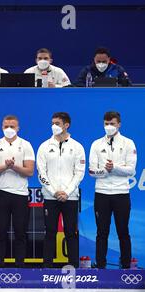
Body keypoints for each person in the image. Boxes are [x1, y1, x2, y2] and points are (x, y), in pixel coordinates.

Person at [37, 112, 85, 268]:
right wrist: (54, 192)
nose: (54, 126)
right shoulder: (44, 146)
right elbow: (41, 173)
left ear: (66, 125)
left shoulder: (77, 147)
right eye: (52, 123)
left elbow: (79, 173)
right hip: (51, 197)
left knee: (71, 233)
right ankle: (47, 268)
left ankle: (73, 267)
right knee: (50, 232)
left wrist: (67, 192)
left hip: (70, 198)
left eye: (57, 123)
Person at [89, 111, 137, 269]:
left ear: (119, 124)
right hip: (102, 194)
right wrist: (105, 171)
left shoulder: (128, 143)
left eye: (112, 124)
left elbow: (130, 170)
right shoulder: (96, 144)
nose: (109, 127)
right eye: (106, 124)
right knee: (101, 232)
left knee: (123, 231)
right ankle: (101, 266)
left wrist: (114, 167)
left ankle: (125, 266)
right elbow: (91, 171)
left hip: (121, 194)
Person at [0, 115, 35, 268]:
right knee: (0, 233)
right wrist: (5, 166)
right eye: (6, 126)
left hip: (20, 195)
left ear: (18, 128)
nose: (9, 129)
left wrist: (14, 166)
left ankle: (20, 267)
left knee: (20, 233)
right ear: (2, 127)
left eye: (12, 126)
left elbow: (30, 171)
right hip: (1, 193)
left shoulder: (26, 145)